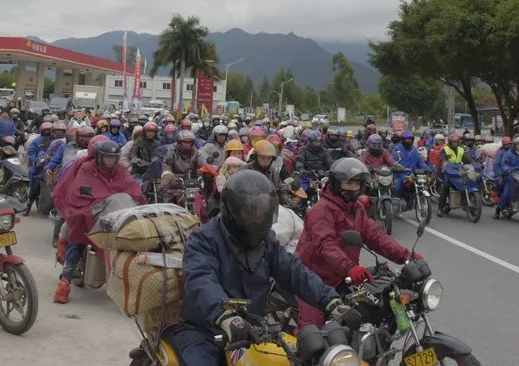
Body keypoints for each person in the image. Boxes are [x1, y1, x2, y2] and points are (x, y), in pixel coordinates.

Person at [174, 170, 359, 364]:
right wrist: (224, 316)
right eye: (251, 212)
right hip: (206, 331)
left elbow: (293, 270)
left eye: (263, 211)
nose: (259, 218)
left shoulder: (266, 240)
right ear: (232, 210)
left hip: (253, 328)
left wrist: (330, 301)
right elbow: (201, 281)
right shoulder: (204, 240)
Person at [295, 158, 420, 328]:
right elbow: (325, 244)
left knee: (371, 309)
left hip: (342, 277)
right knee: (313, 331)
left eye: (357, 184)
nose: (353, 188)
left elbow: (377, 237)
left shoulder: (356, 209)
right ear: (336, 183)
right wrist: (349, 266)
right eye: (348, 183)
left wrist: (406, 256)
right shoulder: (321, 210)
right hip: (313, 278)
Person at [52, 140, 146, 303]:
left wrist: (136, 201)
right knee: (78, 238)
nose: (110, 161)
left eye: (113, 158)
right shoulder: (87, 169)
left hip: (116, 215)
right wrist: (94, 202)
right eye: (106, 157)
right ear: (98, 157)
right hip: (91, 212)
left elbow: (131, 188)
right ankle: (64, 281)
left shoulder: (121, 171)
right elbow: (79, 191)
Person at [239, 140, 289, 205]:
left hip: (269, 208)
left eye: (269, 158)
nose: (266, 161)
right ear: (255, 157)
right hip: (248, 206)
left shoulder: (274, 174)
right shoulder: (244, 171)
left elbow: (281, 190)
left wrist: (287, 201)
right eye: (263, 158)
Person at [437, 134, 471, 217]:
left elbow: (466, 160)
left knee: (465, 183)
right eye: (454, 142)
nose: (455, 143)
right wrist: (445, 163)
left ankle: (465, 203)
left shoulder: (461, 150)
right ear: (450, 142)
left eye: (457, 142)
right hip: (448, 171)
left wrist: (469, 164)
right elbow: (442, 159)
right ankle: (440, 209)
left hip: (458, 170)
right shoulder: (445, 149)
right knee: (446, 188)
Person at [24, 122, 54, 215]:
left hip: (54, 165)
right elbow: (31, 152)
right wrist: (35, 161)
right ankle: (29, 204)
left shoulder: (58, 141)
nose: (47, 132)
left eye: (49, 130)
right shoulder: (37, 141)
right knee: (35, 180)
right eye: (45, 130)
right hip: (41, 167)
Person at [391, 131, 427, 199]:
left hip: (412, 174)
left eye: (410, 139)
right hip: (400, 174)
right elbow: (393, 161)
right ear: (403, 140)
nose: (409, 141)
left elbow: (420, 161)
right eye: (407, 139)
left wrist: (426, 168)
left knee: (424, 183)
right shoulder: (397, 148)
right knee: (397, 187)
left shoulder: (414, 149)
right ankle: (397, 203)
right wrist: (396, 167)